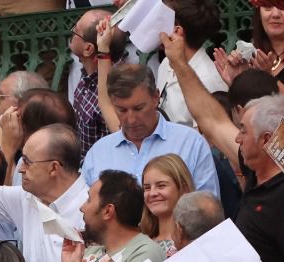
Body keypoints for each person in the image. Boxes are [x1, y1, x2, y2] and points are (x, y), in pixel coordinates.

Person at [80, 63, 221, 197]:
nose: (131, 120)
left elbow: (207, 208)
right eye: (122, 110)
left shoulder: (191, 143)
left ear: (155, 97)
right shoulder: (98, 153)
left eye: (138, 108)